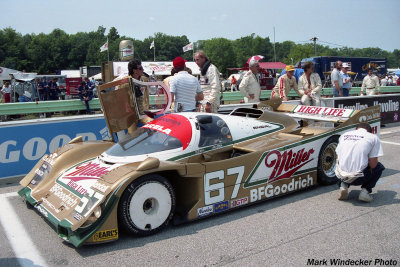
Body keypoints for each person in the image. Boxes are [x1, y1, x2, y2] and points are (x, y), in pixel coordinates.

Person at [335, 122, 385, 202]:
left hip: (341, 175)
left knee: (341, 163)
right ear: (369, 132)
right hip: (359, 177)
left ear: (356, 129)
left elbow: (338, 158)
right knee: (379, 167)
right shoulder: (373, 137)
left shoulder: (344, 135)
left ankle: (343, 185)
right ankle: (365, 191)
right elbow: (373, 165)